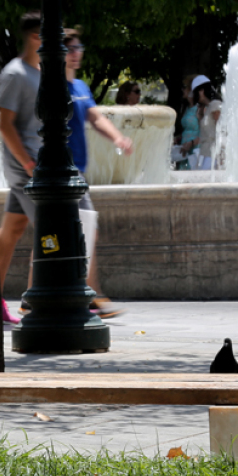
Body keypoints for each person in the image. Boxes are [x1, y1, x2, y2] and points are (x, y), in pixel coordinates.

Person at [63, 29, 133, 319]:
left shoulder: (80, 86)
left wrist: (117, 137)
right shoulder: (50, 87)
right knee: (78, 229)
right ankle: (92, 294)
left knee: (79, 228)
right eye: (71, 48)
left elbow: (95, 117)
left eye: (79, 47)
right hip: (57, 172)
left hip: (76, 171)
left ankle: (88, 294)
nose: (77, 53)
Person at [0, 12, 45, 322]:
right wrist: (28, 164)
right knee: (50, 231)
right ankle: (36, 302)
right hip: (27, 170)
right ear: (35, 36)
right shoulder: (15, 74)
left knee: (11, 230)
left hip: (32, 170)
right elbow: (5, 125)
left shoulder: (38, 71)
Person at [192, 76, 222, 170]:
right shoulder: (208, 107)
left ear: (201, 91)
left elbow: (221, 129)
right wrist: (200, 116)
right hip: (206, 153)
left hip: (213, 154)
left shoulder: (215, 105)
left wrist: (222, 152)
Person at [174, 76, 199, 169]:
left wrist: (191, 143)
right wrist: (178, 138)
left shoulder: (199, 109)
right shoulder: (186, 108)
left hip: (195, 150)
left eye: (185, 87)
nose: (182, 89)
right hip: (184, 150)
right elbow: (188, 129)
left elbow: (205, 133)